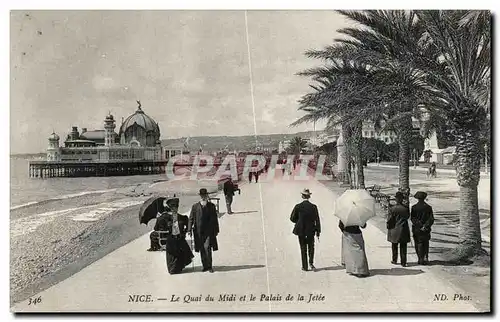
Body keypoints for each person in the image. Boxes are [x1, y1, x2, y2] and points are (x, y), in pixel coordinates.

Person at [188, 188, 220, 273]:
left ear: (206, 195)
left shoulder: (211, 206)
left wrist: (216, 229)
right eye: (202, 195)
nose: (203, 197)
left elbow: (215, 219)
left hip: (209, 231)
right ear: (200, 196)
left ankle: (209, 266)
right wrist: (189, 229)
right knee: (202, 249)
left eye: (204, 195)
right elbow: (191, 218)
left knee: (207, 248)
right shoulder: (195, 206)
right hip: (198, 232)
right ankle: (204, 266)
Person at [290, 189, 321, 271]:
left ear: (302, 196)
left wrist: (299, 221)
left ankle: (305, 266)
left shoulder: (298, 206)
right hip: (311, 230)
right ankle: (311, 262)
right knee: (311, 247)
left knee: (303, 248)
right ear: (309, 196)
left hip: (301, 230)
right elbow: (317, 220)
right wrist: (318, 231)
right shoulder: (314, 207)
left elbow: (292, 218)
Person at [162, 197, 194, 274]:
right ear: (170, 208)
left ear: (177, 208)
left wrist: (185, 231)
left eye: (175, 207)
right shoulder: (166, 218)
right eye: (172, 208)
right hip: (171, 240)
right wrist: (167, 225)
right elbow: (161, 227)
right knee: (172, 257)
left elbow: (188, 225)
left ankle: (179, 268)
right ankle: (172, 269)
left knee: (180, 255)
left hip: (179, 239)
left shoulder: (182, 218)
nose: (174, 209)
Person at [387, 192, 411, 267]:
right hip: (403, 229)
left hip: (394, 229)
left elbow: (390, 220)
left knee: (394, 245)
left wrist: (388, 226)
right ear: (402, 199)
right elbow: (407, 217)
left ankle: (394, 260)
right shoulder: (405, 208)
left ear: (396, 199)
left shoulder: (392, 208)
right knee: (403, 246)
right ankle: (403, 262)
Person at [411, 191, 434, 265]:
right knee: (426, 243)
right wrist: (425, 226)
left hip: (417, 229)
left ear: (417, 199)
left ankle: (420, 258)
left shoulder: (414, 207)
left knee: (418, 243)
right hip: (426, 229)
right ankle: (425, 257)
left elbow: (413, 218)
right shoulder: (428, 207)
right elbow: (431, 219)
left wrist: (420, 226)